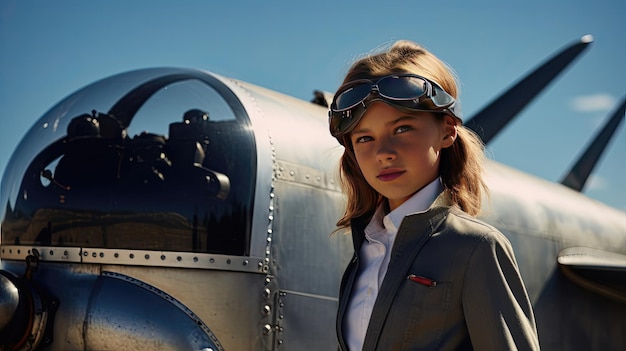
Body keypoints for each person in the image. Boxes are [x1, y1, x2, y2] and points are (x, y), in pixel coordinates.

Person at [328, 40, 540, 350]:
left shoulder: (475, 247)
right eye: (364, 138)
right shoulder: (367, 250)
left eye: (402, 129)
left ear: (447, 131)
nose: (383, 153)